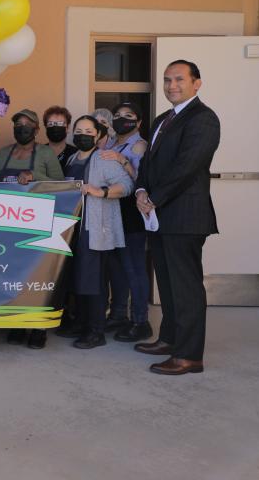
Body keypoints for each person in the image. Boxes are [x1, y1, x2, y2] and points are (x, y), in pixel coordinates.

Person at [135, 60, 219, 376]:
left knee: (186, 289)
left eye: (179, 79)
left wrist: (154, 197)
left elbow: (187, 166)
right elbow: (148, 163)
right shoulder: (162, 120)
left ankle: (189, 355)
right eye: (168, 79)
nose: (172, 85)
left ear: (196, 83)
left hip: (184, 217)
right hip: (158, 216)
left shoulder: (204, 119)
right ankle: (169, 340)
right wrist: (141, 189)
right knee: (168, 287)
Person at [0, 108, 64, 349]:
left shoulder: (45, 153)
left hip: (38, 223)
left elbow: (61, 184)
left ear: (36, 129)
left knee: (37, 277)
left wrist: (34, 175)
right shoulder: (4, 152)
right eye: (17, 124)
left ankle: (38, 328)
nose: (21, 128)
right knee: (13, 276)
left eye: (26, 125)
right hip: (8, 224)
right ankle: (16, 323)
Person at [62, 115, 133, 349]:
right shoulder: (72, 158)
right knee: (78, 278)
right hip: (72, 229)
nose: (83, 134)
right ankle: (81, 323)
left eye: (88, 131)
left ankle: (96, 331)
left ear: (98, 135)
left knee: (93, 280)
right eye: (78, 130)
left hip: (94, 229)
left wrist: (99, 191)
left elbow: (127, 185)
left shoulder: (103, 159)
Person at [99, 102, 152, 343]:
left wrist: (122, 160)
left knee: (134, 268)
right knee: (116, 269)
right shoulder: (111, 142)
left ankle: (140, 321)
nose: (122, 119)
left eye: (128, 116)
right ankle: (118, 314)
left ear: (138, 122)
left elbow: (142, 180)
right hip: (112, 210)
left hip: (131, 212)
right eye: (118, 115)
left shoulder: (139, 145)